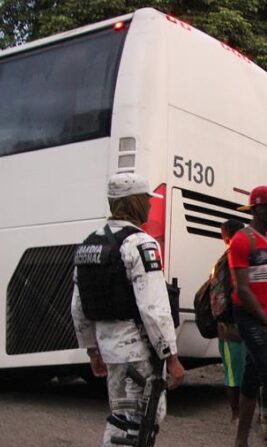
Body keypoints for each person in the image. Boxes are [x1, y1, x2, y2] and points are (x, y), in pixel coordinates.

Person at [71, 173, 185, 447]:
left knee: (122, 415)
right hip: (137, 350)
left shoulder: (89, 243)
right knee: (143, 418)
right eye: (146, 200)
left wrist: (92, 349)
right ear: (134, 202)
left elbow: (78, 306)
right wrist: (171, 356)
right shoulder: (141, 244)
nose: (149, 205)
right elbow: (153, 307)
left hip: (110, 348)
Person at [229, 186, 267, 447]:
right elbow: (242, 288)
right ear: (260, 209)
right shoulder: (241, 240)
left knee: (253, 376)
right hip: (250, 316)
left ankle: (240, 439)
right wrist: (266, 319)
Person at [215, 219, 246, 422]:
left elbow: (219, 293)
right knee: (245, 371)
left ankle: (236, 414)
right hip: (247, 321)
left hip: (230, 326)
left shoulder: (226, 257)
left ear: (225, 236)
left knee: (233, 375)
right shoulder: (245, 254)